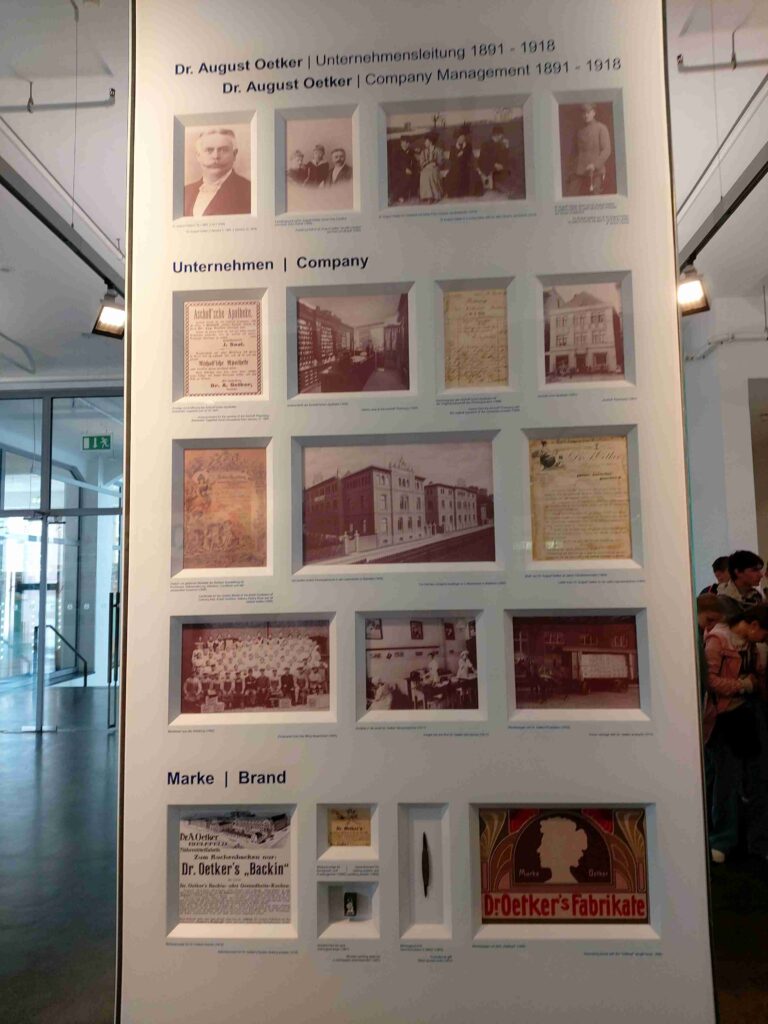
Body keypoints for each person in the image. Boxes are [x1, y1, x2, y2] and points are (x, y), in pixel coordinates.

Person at [703, 604, 768, 864]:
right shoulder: (718, 640)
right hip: (725, 717)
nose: (763, 639)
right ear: (753, 625)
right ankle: (722, 840)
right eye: (763, 633)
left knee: (759, 778)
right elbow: (709, 681)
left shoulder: (751, 645)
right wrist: (743, 685)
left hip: (750, 713)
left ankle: (756, 841)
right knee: (727, 781)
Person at [184, 128, 251, 217]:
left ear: (234, 154)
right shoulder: (185, 192)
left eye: (223, 150)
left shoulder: (249, 191)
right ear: (198, 156)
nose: (216, 156)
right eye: (209, 150)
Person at [565, 103, 612, 197]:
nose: (586, 115)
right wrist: (570, 170)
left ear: (594, 113)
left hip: (595, 171)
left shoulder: (601, 128)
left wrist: (595, 165)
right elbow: (573, 153)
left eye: (588, 112)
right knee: (570, 196)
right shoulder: (579, 130)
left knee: (595, 198)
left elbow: (606, 150)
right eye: (584, 113)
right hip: (579, 170)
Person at [445, 128, 481, 199]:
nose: (462, 139)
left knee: (472, 174)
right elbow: (451, 159)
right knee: (453, 174)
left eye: (463, 138)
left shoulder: (468, 146)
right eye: (460, 138)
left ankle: (466, 192)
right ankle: (456, 193)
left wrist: (463, 151)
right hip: (456, 166)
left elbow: (469, 157)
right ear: (457, 139)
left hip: (466, 165)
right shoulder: (453, 147)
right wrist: (457, 156)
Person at [478, 125, 510, 194]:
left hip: (497, 168)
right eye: (501, 135)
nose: (502, 137)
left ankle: (502, 187)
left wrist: (507, 147)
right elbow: (484, 158)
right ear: (497, 135)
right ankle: (497, 187)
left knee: (507, 170)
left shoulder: (500, 145)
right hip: (487, 167)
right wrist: (494, 164)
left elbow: (505, 158)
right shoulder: (486, 144)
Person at [390, 137, 417, 203]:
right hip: (397, 171)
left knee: (415, 175)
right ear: (402, 143)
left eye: (408, 143)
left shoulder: (410, 152)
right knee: (406, 177)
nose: (408, 144)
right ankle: (397, 196)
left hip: (408, 171)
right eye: (405, 142)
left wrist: (412, 170)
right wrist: (404, 169)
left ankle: (408, 194)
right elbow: (394, 164)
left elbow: (413, 162)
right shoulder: (396, 152)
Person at [418, 132, 443, 203]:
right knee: (424, 173)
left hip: (435, 168)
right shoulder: (423, 151)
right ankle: (428, 196)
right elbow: (421, 163)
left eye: (426, 141)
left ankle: (436, 195)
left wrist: (435, 163)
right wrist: (427, 162)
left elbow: (441, 162)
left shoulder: (438, 150)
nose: (425, 143)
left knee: (431, 173)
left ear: (431, 142)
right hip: (426, 168)